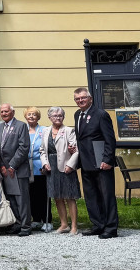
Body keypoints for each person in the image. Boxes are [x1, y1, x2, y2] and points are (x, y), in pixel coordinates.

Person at [73, 87, 118, 239]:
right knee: (91, 196)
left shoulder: (101, 115)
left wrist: (107, 159)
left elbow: (110, 139)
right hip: (85, 162)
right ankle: (98, 225)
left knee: (107, 196)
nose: (80, 101)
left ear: (90, 99)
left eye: (83, 98)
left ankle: (111, 228)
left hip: (101, 162)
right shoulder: (77, 114)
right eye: (77, 99)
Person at [0, 102, 32, 236]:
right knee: (11, 198)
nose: (4, 113)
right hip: (5, 169)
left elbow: (24, 147)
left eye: (6, 111)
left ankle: (25, 226)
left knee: (22, 199)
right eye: (2, 112)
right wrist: (2, 166)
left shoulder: (21, 126)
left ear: (13, 112)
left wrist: (12, 165)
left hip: (18, 169)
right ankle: (16, 223)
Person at [45, 106, 80, 235]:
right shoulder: (46, 131)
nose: (58, 118)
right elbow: (42, 151)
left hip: (66, 166)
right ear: (50, 117)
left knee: (70, 196)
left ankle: (74, 226)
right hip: (52, 167)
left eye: (60, 115)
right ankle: (64, 224)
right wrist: (45, 163)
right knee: (57, 197)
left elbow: (76, 150)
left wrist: (70, 165)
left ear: (63, 117)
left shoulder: (68, 131)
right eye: (55, 116)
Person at [25, 106, 51, 231]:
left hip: (39, 165)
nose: (31, 116)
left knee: (43, 193)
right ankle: (35, 219)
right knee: (31, 194)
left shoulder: (44, 130)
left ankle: (47, 220)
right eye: (29, 114)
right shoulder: (23, 130)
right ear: (25, 116)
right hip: (26, 166)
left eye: (34, 114)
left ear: (38, 117)